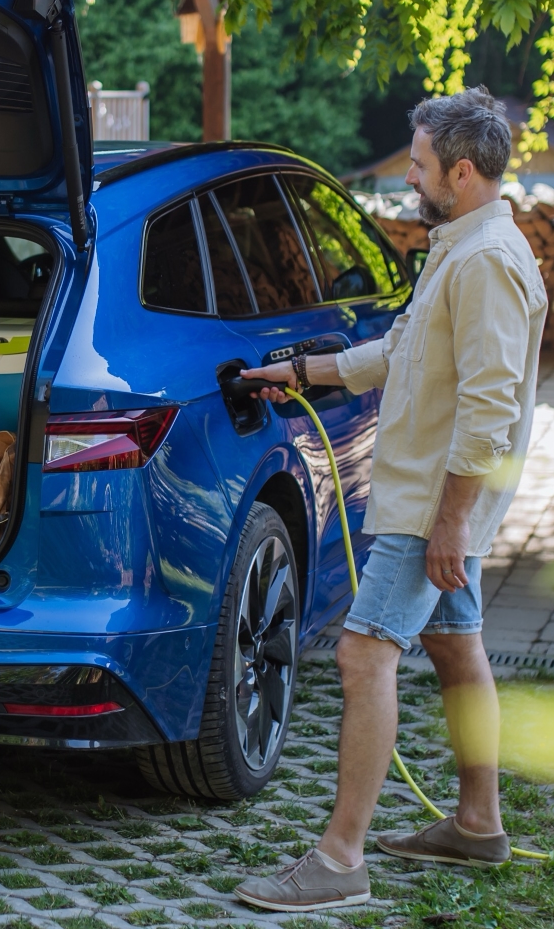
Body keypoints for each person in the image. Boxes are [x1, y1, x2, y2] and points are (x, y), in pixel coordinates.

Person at [234, 86, 548, 913]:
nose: (407, 176)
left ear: (464, 169)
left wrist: (448, 523)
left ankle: (340, 857)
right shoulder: (461, 243)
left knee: (362, 653)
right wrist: (298, 372)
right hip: (432, 499)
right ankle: (477, 822)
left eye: (418, 163)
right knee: (454, 643)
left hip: (430, 503)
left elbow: (484, 411)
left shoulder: (486, 262)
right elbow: (399, 350)